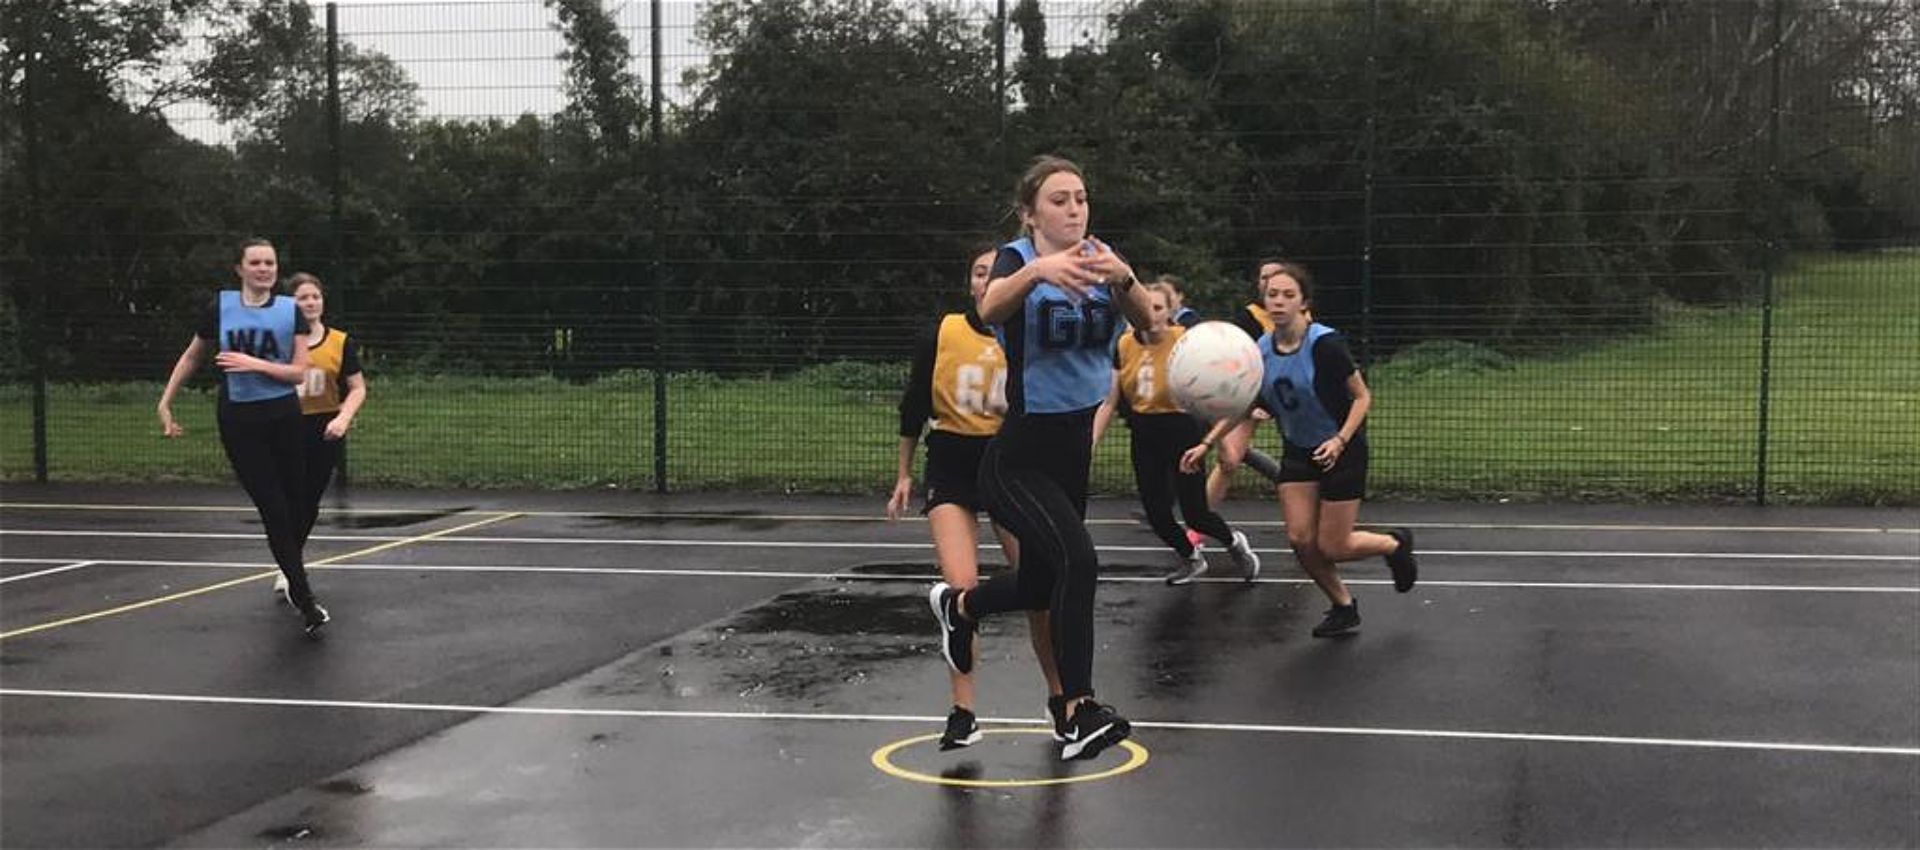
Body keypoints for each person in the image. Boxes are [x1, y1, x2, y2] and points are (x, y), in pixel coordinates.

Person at [927, 155, 1155, 761]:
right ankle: (1078, 709)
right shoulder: (1017, 260)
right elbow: (989, 309)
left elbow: (1148, 326)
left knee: (1040, 581)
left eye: (1080, 197)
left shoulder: (1103, 256)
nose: (1074, 208)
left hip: (1072, 451)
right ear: (1031, 213)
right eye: (1059, 200)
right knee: (1079, 560)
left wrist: (1126, 278)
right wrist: (1040, 271)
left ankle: (962, 606)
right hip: (1019, 456)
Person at [1181, 260, 1417, 638]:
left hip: (1342, 448)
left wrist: (1339, 440)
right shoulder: (1259, 350)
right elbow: (1242, 402)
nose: (1278, 301)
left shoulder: (1325, 344)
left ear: (1303, 302)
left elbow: (1361, 397)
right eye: (1272, 294)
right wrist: (1207, 443)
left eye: (1288, 295)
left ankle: (1394, 545)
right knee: (1301, 540)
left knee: (1333, 545)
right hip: (1299, 450)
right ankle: (1343, 606)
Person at [891, 246, 1064, 750]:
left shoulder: (1028, 334)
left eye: (999, 272)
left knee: (1039, 587)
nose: (990, 280)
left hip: (1009, 465)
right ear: (971, 284)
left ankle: (1060, 697)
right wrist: (903, 472)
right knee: (960, 588)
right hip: (951, 465)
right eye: (981, 273)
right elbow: (913, 404)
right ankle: (963, 711)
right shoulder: (944, 333)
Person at [157, 239, 330, 635]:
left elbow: (298, 372)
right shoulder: (221, 308)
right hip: (239, 418)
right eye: (255, 262)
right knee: (272, 506)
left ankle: (293, 579)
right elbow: (192, 356)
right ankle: (305, 598)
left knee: (296, 502)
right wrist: (166, 403)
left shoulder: (290, 312)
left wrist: (254, 363)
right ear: (240, 269)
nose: (264, 268)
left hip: (283, 415)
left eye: (270, 262)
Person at [1091, 281, 1260, 585]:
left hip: (1182, 430)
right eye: (1143, 307)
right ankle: (1191, 557)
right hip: (1144, 432)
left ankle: (1234, 542)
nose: (1150, 314)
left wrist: (1216, 440)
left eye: (1157, 308)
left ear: (1171, 312)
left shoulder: (1187, 342)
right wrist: (1091, 441)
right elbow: (1109, 400)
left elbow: (1218, 384)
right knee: (1156, 514)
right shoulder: (1124, 344)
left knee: (1195, 514)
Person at [270, 273, 368, 604]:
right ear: (289, 305)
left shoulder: (339, 342)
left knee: (308, 500)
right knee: (286, 498)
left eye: (315, 296)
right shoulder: (277, 342)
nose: (311, 303)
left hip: (324, 427)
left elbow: (357, 388)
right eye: (303, 298)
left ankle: (289, 562)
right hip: (285, 425)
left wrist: (343, 417)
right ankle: (289, 563)